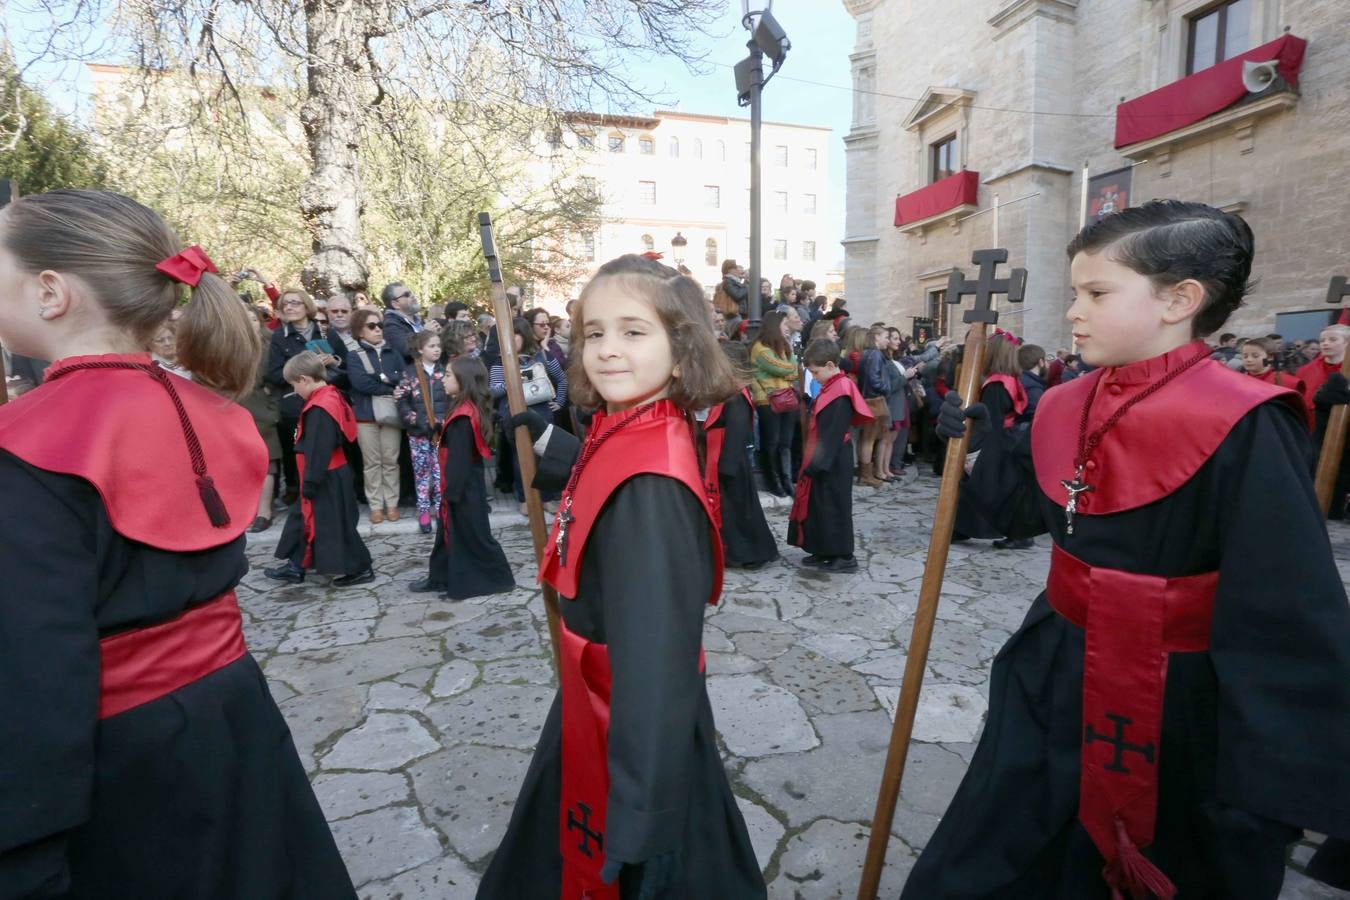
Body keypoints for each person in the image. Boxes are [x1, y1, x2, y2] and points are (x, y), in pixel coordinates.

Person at [911, 200, 1350, 898]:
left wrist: (1278, 776)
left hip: (1180, 697)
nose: (1073, 313)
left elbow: (1286, 612)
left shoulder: (1244, 423)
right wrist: (973, 443)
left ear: (1180, 299)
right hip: (1055, 667)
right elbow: (1023, 512)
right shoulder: (1065, 401)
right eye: (1077, 292)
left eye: (1097, 293)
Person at [0, 188, 355, 896]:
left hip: (119, 765)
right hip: (236, 718)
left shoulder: (28, 444)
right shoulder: (209, 413)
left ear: (50, 291)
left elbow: (29, 674)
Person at [477, 254, 764, 900]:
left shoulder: (652, 494)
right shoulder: (637, 420)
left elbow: (655, 661)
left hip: (632, 727)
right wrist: (553, 449)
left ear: (681, 343)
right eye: (595, 331)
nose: (607, 349)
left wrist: (640, 819)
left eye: (634, 332)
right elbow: (603, 470)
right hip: (598, 706)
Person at [410, 356, 516, 600]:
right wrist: (439, 431)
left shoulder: (463, 416)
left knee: (472, 537)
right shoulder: (463, 407)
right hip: (462, 485)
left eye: (448, 375)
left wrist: (451, 494)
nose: (442, 379)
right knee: (446, 535)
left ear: (463, 379)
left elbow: (459, 458)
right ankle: (439, 577)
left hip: (462, 488)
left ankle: (496, 580)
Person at [266, 352, 373, 586]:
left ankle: (361, 568)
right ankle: (296, 566)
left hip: (324, 476)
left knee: (334, 526)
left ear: (304, 379)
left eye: (294, 384)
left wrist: (311, 483)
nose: (294, 391)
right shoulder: (330, 395)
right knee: (302, 520)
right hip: (323, 474)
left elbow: (319, 448)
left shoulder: (320, 407)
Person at [788, 338, 873, 573]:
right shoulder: (831, 385)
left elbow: (834, 431)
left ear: (829, 365)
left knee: (835, 506)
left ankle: (843, 555)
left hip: (832, 459)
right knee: (819, 506)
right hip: (823, 455)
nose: (813, 377)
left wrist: (817, 464)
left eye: (815, 372)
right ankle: (823, 549)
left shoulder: (842, 389)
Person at [489, 316, 567, 516]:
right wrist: (512, 381)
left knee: (545, 457)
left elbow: (561, 379)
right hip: (514, 415)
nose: (510, 338)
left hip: (542, 414)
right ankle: (525, 499)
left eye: (514, 334)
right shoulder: (500, 361)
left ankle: (547, 498)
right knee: (521, 458)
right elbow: (494, 391)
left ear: (523, 334)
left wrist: (558, 402)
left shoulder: (542, 355)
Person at [266, 287, 336, 504]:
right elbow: (275, 374)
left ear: (307, 306)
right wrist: (302, 367)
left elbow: (341, 367)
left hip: (325, 403)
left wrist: (333, 363)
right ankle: (299, 492)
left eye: (295, 302)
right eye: (285, 304)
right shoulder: (279, 337)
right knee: (296, 452)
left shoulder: (325, 332)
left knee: (326, 448)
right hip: (294, 405)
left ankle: (329, 491)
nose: (289, 307)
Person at [705, 377, 779, 570]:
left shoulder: (736, 396)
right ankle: (735, 552)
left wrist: (727, 465)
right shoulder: (729, 392)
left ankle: (754, 553)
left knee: (742, 511)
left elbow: (736, 430)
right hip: (724, 457)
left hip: (731, 460)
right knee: (733, 512)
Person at [347, 307, 406, 523]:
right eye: (371, 326)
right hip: (365, 415)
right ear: (360, 331)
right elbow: (360, 383)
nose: (378, 329)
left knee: (391, 460)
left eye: (380, 325)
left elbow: (403, 378)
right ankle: (376, 506)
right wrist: (390, 385)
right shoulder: (354, 355)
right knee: (371, 462)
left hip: (391, 415)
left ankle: (392, 504)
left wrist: (382, 378)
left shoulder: (393, 352)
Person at [396, 330, 449, 534]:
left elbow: (451, 400)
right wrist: (417, 420)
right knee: (421, 472)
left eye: (438, 346)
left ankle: (440, 507)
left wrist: (442, 421)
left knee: (439, 470)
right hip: (418, 433)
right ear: (420, 349)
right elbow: (401, 401)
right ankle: (424, 510)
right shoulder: (409, 373)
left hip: (439, 431)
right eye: (432, 346)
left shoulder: (444, 372)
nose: (437, 350)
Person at [748, 309, 799, 498]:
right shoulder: (760, 348)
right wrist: (789, 366)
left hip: (786, 398)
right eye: (784, 325)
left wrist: (789, 363)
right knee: (772, 442)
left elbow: (794, 373)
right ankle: (774, 481)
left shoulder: (783, 347)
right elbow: (782, 368)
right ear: (774, 326)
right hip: (768, 400)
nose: (787, 328)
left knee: (785, 442)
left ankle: (786, 479)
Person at [241, 306, 283, 533]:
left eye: (253, 319)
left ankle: (264, 512)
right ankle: (248, 509)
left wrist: (272, 411)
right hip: (236, 408)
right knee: (244, 463)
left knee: (268, 462)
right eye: (244, 320)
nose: (250, 324)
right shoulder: (229, 347)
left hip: (262, 409)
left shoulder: (270, 347)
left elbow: (276, 381)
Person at [1296, 323, 1348, 416]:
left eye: (1333, 339)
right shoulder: (1305, 370)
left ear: (1347, 342)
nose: (1326, 343)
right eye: (1322, 340)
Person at [380, 281, 424, 362]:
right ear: (395, 304)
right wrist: (427, 333)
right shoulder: (390, 325)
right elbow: (407, 350)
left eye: (411, 293)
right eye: (407, 295)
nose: (413, 296)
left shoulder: (420, 321)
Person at [1018, 342, 1048, 419]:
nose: (1047, 364)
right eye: (1046, 360)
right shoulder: (1034, 388)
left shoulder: (1019, 378)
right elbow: (1037, 418)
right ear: (1041, 362)